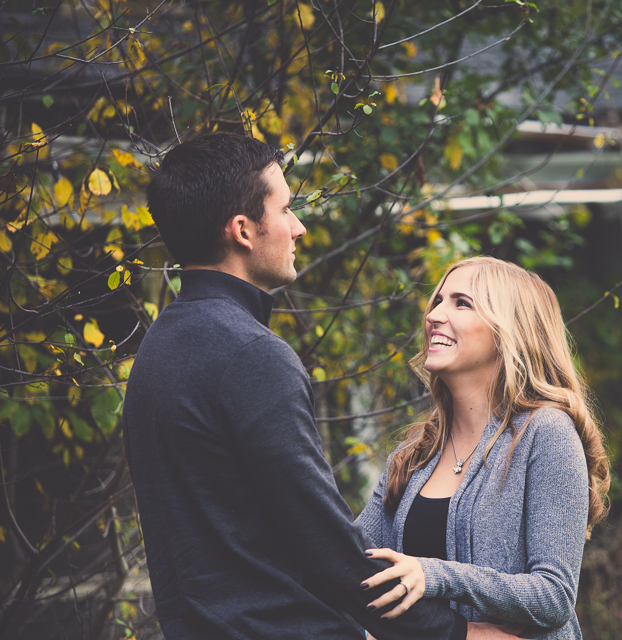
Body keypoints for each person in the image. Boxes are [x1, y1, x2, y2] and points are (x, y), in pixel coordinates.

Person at [123, 133, 514, 640]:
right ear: (243, 230)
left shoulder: (158, 350)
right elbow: (325, 543)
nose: (298, 227)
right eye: (285, 210)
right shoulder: (251, 355)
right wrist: (455, 634)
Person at [355, 257, 610, 640]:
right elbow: (353, 563)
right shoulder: (415, 453)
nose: (434, 315)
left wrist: (434, 574)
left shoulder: (545, 433)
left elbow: (554, 595)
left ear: (509, 331)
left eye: (462, 303)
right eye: (438, 300)